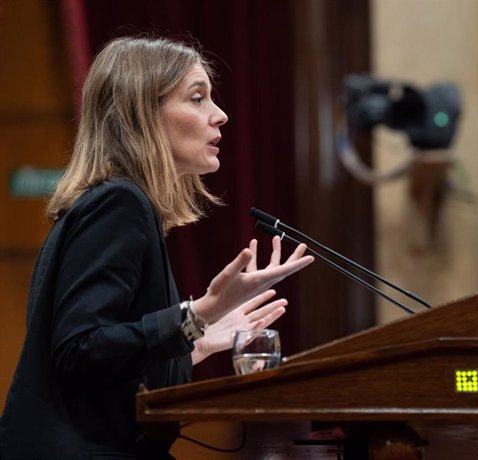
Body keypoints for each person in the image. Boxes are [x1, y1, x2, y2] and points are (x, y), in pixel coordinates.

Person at [0, 35, 314, 459]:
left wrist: (197, 340)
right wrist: (198, 313)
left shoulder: (119, 203)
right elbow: (79, 353)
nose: (219, 115)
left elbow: (110, 367)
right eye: (197, 98)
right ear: (142, 113)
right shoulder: (119, 203)